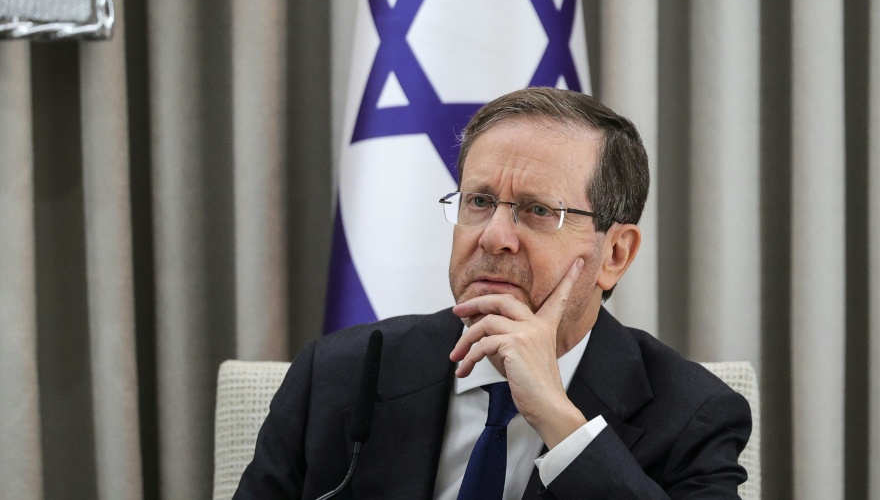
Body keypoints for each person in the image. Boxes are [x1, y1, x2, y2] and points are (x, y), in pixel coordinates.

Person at [235, 87, 751, 499]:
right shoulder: (340, 374)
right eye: (479, 201)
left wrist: (559, 421)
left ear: (615, 254)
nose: (494, 237)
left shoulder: (692, 413)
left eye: (539, 210)